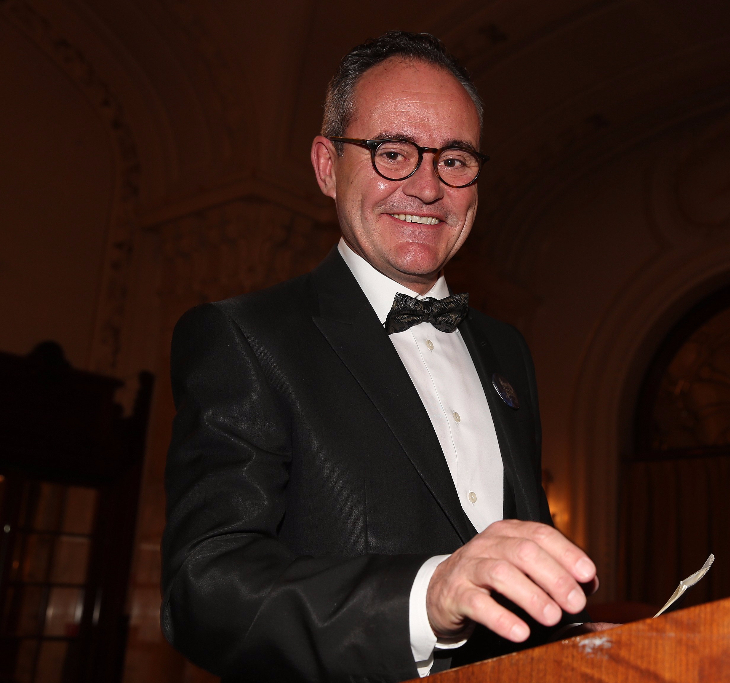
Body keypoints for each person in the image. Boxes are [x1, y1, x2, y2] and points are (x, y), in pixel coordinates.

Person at [161, 31, 607, 683]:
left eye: (454, 159)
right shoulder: (244, 337)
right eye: (393, 153)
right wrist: (425, 598)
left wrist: (573, 639)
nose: (427, 187)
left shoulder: (507, 349)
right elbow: (204, 590)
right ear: (326, 166)